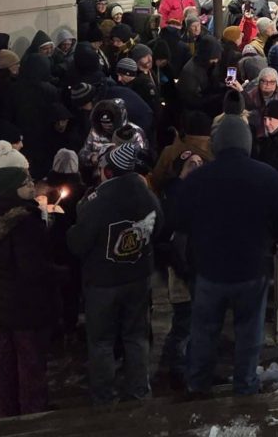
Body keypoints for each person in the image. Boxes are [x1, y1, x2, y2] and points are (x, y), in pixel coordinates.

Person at [171, 115, 278, 396]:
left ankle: (198, 383)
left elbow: (178, 221)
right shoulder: (268, 177)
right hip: (252, 268)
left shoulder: (199, 179)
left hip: (209, 269)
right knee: (249, 332)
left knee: (204, 331)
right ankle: (245, 385)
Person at [67, 143, 162, 405]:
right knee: (136, 337)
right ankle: (138, 391)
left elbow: (78, 243)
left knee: (101, 342)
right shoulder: (147, 195)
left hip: (103, 282)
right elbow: (159, 226)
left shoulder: (97, 202)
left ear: (108, 171)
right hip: (138, 278)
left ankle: (104, 397)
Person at [0, 158, 59, 417]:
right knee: (29, 362)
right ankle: (32, 413)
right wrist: (59, 273)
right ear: (11, 189)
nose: (32, 185)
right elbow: (32, 267)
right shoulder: (24, 221)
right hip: (22, 305)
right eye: (25, 182)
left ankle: (6, 412)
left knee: (2, 364)